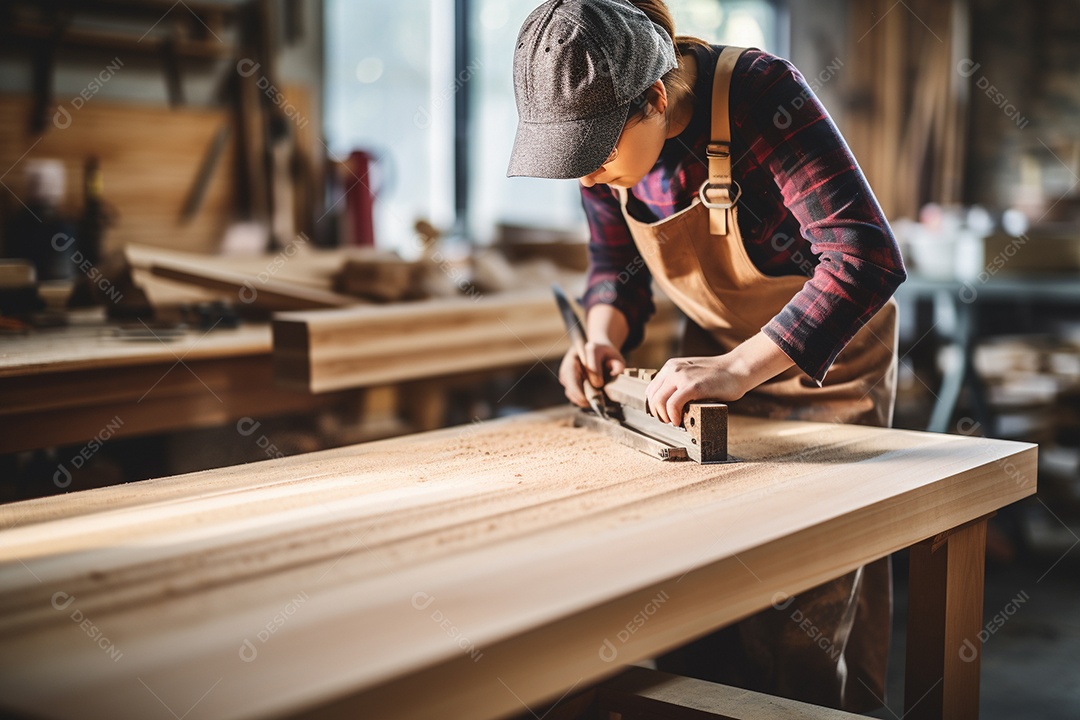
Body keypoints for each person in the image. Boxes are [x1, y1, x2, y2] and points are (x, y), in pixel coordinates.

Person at [507, 0, 907, 712]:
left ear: (656, 97)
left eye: (597, 158)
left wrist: (736, 369)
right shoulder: (605, 155)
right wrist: (603, 332)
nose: (590, 182)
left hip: (828, 374)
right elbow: (613, 263)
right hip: (708, 377)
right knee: (702, 598)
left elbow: (865, 258)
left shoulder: (762, 94)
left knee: (806, 610)